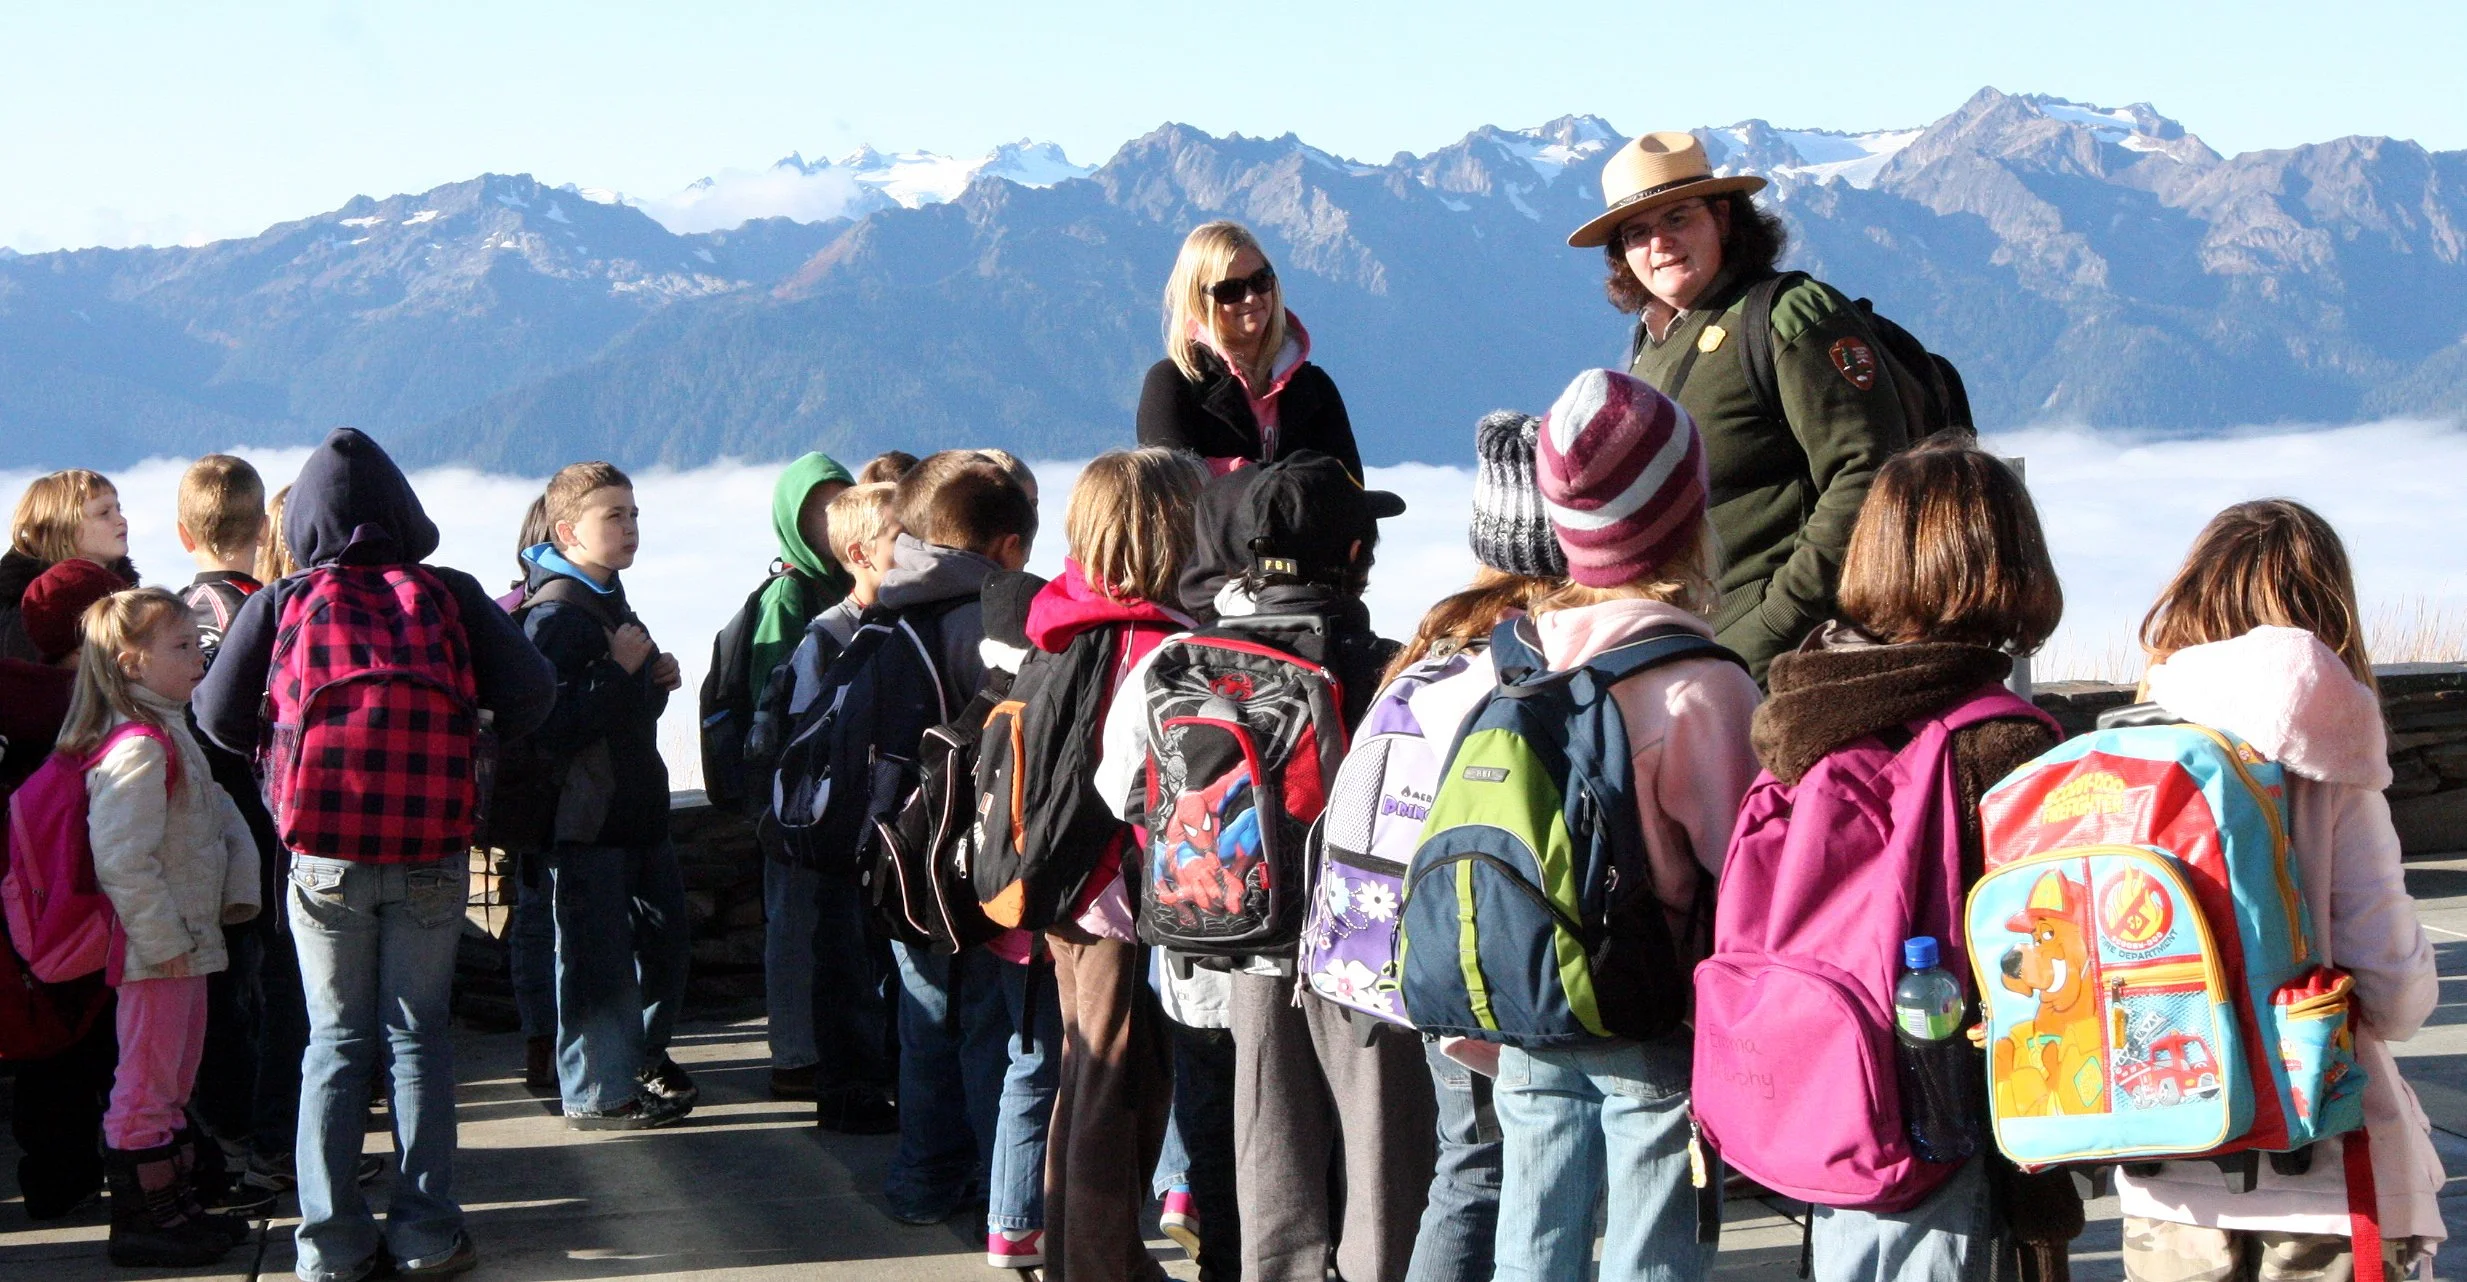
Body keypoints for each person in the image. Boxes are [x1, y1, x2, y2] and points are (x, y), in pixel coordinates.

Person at [197, 427, 556, 1281]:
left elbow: (213, 718)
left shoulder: (280, 601)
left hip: (322, 852)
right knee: (416, 1040)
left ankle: (329, 1246)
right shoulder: (451, 594)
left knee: (334, 1044)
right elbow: (534, 693)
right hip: (432, 846)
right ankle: (428, 1234)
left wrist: (276, 763)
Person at [1750, 438, 2079, 1280]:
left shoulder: (1803, 717)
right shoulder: (2002, 743)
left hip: (1823, 1080)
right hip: (1947, 1106)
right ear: (2010, 565)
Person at [1099, 450, 1430, 1282]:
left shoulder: (1177, 663)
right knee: (1381, 1170)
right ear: (1354, 557)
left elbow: (1121, 792)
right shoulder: (1391, 670)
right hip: (1359, 958)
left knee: (1269, 1165)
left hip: (1239, 938)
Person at [2113, 500, 2442, 1282]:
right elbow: (2393, 992)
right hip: (2322, 1174)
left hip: (2164, 1172)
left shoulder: (2120, 753)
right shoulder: (2332, 771)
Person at [1499, 369, 1761, 1282]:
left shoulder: (1521, 657)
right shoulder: (1702, 683)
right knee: (1652, 1249)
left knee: (1534, 1230)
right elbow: (1743, 865)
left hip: (1533, 999)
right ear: (1687, 515)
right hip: (1648, 1008)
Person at [1568, 131, 1910, 680]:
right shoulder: (1654, 339)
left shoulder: (1789, 317)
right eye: (1636, 233)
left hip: (1786, 662)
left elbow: (1869, 474)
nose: (1659, 244)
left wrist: (1777, 621)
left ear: (1723, 218)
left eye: (1678, 218)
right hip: (1686, 652)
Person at [1390, 410, 1571, 1282]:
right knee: (1480, 1167)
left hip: (1417, 945)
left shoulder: (1428, 652)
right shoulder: (1524, 671)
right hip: (1488, 956)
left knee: (1465, 1161)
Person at [1022, 447, 1204, 1282]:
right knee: (1112, 1087)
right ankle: (1101, 1268)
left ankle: (1078, 1259)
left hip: (1064, 887)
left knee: (1085, 1075)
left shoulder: (1062, 621)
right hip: (1117, 892)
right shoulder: (1148, 645)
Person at [65, 587, 261, 1267]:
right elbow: (122, 857)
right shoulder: (140, 746)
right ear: (130, 662)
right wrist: (164, 941)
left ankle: (175, 1210)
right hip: (160, 954)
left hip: (183, 945)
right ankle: (145, 1223)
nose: (198, 654)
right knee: (146, 1085)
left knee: (172, 1080)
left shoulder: (168, 730)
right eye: (180, 646)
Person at [872, 451, 1038, 1225]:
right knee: (985, 1031)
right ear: (1005, 546)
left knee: (922, 1018)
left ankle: (920, 1179)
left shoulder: (885, 605)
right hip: (971, 855)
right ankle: (988, 1186)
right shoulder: (992, 617)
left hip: (898, 848)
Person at [515, 461, 696, 1130]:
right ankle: (598, 1093)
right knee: (597, 965)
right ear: (567, 530)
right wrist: (623, 676)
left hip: (632, 812)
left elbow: (614, 717)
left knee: (659, 945)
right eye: (613, 516)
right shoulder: (557, 616)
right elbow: (550, 726)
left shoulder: (607, 597)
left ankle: (633, 1066)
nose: (630, 527)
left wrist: (650, 682)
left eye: (634, 513)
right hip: (587, 822)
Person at [169, 454, 300, 1212]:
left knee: (224, 991)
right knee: (279, 990)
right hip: (276, 822)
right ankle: (275, 1144)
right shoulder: (276, 606)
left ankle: (235, 1135)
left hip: (207, 831)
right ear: (261, 529)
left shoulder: (176, 615)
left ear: (183, 532)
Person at [767, 480, 902, 1127]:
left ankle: (885, 1078)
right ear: (859, 551)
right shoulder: (825, 637)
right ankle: (848, 1093)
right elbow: (807, 742)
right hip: (842, 832)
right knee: (845, 965)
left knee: (882, 965)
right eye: (902, 539)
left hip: (890, 832)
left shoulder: (900, 627)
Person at [0, 560, 131, 1223]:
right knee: (111, 1048)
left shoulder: (14, 706)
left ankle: (53, 1180)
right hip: (100, 909)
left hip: (29, 918)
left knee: (48, 1055)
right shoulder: (97, 718)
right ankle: (138, 1174)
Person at [975, 568, 1067, 1273]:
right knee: (1037, 1067)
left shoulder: (985, 707)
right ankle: (1016, 1216)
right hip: (1040, 925)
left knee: (1025, 1063)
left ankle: (1011, 1224)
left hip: (1001, 921)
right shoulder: (1036, 706)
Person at [1137, 221, 1363, 480]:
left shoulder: (1316, 389)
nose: (1251, 298)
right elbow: (1170, 496)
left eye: (1260, 280)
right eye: (1230, 290)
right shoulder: (1172, 385)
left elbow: (1351, 496)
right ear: (1198, 300)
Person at [495, 493, 559, 1091]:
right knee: (542, 922)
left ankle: (542, 1042)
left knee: (533, 919)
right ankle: (548, 1044)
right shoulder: (541, 613)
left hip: (519, 799)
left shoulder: (503, 611)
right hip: (551, 797)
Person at [748, 452, 855, 714]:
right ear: (796, 523)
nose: (836, 522)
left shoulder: (845, 584)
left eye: (843, 508)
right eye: (823, 511)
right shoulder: (786, 596)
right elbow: (768, 695)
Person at [2, 468, 137, 660]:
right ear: (63, 528)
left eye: (118, 509)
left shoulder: (134, 603)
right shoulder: (27, 616)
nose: (121, 520)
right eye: (104, 513)